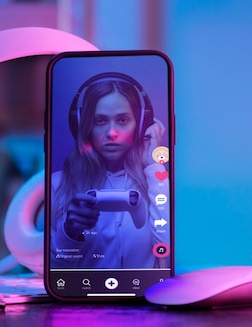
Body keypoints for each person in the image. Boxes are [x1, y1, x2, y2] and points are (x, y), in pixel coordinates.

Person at [50, 73, 170, 269]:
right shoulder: (58, 185)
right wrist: (70, 233)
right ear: (83, 125)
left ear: (140, 125)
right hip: (81, 298)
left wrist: (155, 166)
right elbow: (55, 269)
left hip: (145, 297)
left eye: (122, 120)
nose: (112, 133)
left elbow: (167, 252)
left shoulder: (158, 186)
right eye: (100, 121)